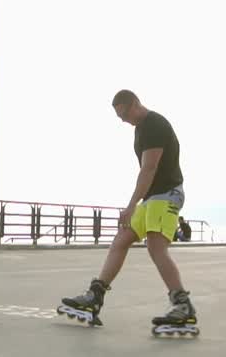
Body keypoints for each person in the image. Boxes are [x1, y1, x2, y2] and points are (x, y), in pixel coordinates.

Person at [57, 89, 198, 335]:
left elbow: (149, 168)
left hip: (167, 194)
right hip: (153, 197)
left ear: (135, 104)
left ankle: (183, 305)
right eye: (119, 117)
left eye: (124, 114)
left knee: (156, 247)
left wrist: (131, 204)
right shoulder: (140, 129)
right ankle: (95, 296)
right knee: (121, 240)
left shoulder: (154, 124)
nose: (123, 120)